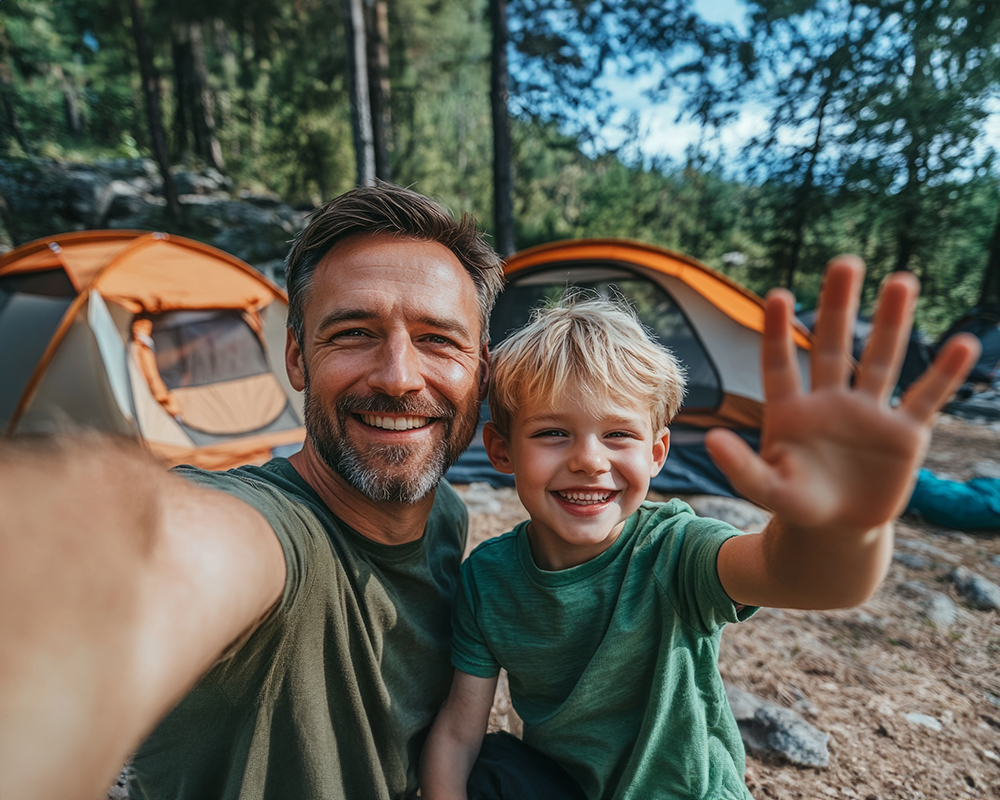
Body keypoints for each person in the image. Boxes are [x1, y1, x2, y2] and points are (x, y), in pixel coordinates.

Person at [0, 183, 505, 800]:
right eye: (353, 333)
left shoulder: (446, 518)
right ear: (295, 357)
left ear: (481, 373)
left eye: (437, 339)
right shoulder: (268, 533)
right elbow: (148, 549)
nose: (398, 377)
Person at [420, 267, 980, 800]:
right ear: (500, 450)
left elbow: (801, 578)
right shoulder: (488, 579)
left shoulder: (677, 550)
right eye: (552, 433)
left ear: (658, 452)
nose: (589, 460)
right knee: (490, 766)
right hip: (570, 786)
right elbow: (458, 733)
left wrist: (843, 526)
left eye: (618, 434)